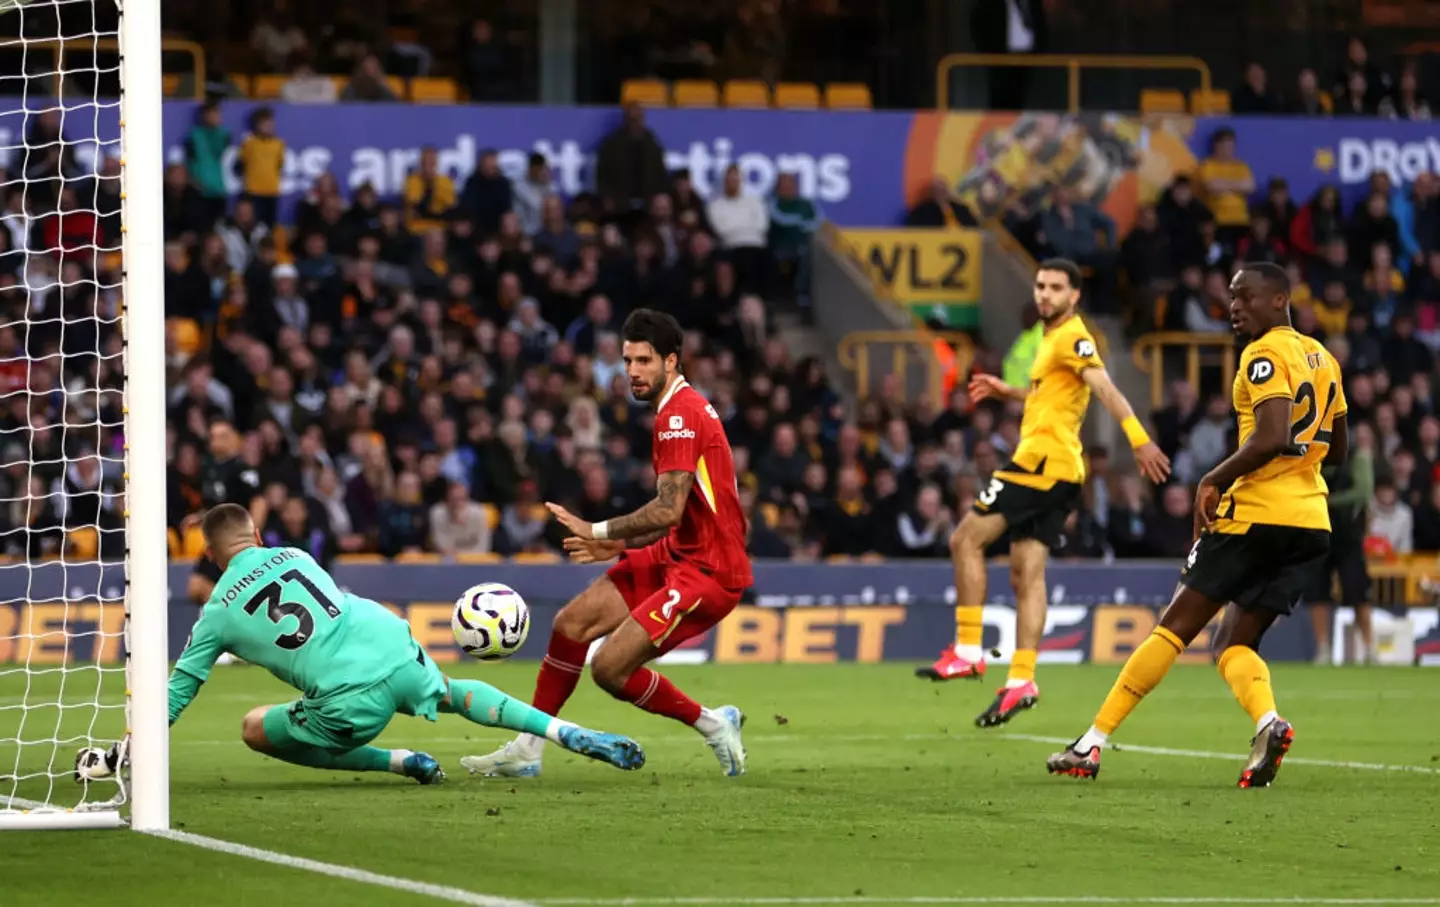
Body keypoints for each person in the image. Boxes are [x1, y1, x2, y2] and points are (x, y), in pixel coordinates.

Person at [1047, 263, 1346, 788]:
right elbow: (1337, 448)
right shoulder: (1324, 358)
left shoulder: (1262, 354)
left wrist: (1213, 477)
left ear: (1279, 301)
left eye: (1246, 297)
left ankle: (1090, 743)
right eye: (1231, 298)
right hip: (1310, 522)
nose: (1235, 307)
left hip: (1254, 514)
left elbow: (1272, 434)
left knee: (1174, 627)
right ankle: (1268, 724)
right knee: (1234, 643)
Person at [464, 309, 752, 778]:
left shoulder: (680, 416)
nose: (633, 371)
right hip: (678, 551)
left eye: (644, 361)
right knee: (571, 624)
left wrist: (596, 531)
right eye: (628, 360)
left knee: (610, 670)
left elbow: (667, 510)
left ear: (671, 362)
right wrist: (619, 550)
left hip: (709, 571)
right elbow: (679, 514)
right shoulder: (676, 410)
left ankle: (714, 724)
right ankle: (528, 749)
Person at [165, 503, 645, 784]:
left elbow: (180, 689)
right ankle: (565, 732)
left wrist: (134, 747)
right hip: (389, 639)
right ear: (256, 534)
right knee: (450, 691)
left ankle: (397, 762)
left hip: (345, 698)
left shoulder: (216, 615)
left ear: (207, 554)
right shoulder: (294, 553)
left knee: (254, 728)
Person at [918, 258, 1171, 730]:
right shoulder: (1048, 341)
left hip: (1038, 465)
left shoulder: (1073, 337)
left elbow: (1105, 389)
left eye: (1055, 287)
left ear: (1074, 295)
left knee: (964, 541)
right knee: (1025, 575)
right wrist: (1009, 391)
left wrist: (1140, 441)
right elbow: (1052, 394)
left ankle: (970, 650)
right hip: (1062, 472)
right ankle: (1021, 680)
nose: (1044, 294)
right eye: (1040, 286)